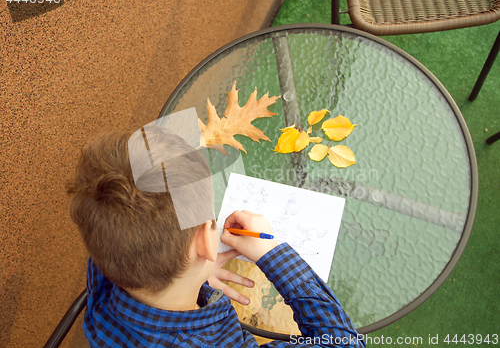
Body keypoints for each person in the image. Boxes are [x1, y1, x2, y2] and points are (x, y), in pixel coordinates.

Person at [66, 127, 365, 347]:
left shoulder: (105, 261)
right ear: (205, 243)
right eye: (212, 222)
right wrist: (272, 253)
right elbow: (344, 342)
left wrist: (194, 274)